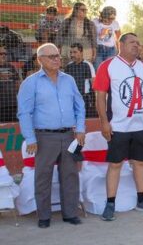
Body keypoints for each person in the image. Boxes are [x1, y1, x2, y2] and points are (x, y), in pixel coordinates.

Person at [93, 33, 143, 221]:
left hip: (140, 125)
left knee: (139, 162)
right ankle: (110, 204)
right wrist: (104, 122)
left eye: (139, 43)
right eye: (132, 42)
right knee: (115, 164)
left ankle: (142, 200)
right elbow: (100, 96)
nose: (137, 46)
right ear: (120, 45)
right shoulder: (107, 66)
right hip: (118, 126)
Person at [16, 43, 85, 228]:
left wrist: (80, 130)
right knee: (43, 176)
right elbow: (24, 113)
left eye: (57, 55)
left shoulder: (69, 80)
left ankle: (70, 213)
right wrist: (30, 138)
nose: (57, 59)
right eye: (51, 56)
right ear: (40, 60)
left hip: (69, 136)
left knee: (70, 175)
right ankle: (44, 216)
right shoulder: (30, 83)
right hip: (44, 137)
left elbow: (80, 106)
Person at [56, 2, 97, 66]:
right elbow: (59, 37)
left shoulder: (90, 23)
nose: (85, 11)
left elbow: (93, 39)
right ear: (76, 10)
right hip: (69, 51)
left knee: (84, 71)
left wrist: (94, 53)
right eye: (82, 10)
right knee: (69, 70)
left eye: (86, 10)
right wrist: (58, 52)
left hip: (86, 52)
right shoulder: (67, 22)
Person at [64, 43, 96, 117]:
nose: (72, 55)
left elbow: (93, 83)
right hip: (71, 99)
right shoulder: (69, 66)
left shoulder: (88, 65)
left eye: (75, 52)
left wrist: (94, 102)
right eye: (71, 52)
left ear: (81, 52)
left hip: (85, 98)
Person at [0, 44, 20, 123]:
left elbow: (17, 83)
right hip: (1, 104)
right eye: (1, 54)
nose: (3, 55)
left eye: (5, 53)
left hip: (13, 103)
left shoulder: (11, 67)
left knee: (14, 126)